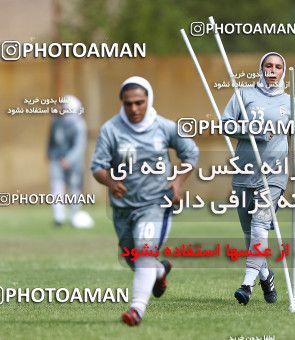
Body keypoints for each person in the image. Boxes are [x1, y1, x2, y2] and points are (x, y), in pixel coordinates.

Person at [91, 76, 199, 326]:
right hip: (123, 208)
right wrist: (109, 182)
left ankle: (136, 310)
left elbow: (190, 153)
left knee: (143, 250)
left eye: (139, 102)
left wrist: (178, 182)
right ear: (122, 102)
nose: (134, 108)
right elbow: (97, 166)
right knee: (132, 255)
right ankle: (159, 272)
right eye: (128, 103)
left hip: (155, 204)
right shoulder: (111, 130)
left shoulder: (164, 127)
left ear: (149, 99)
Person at [221, 52, 295, 305]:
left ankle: (246, 285)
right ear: (261, 69)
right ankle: (266, 275)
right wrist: (254, 131)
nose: (273, 70)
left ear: (283, 72)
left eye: (278, 66)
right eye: (268, 65)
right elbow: (225, 124)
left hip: (275, 175)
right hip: (244, 172)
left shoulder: (290, 102)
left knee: (260, 225)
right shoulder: (244, 95)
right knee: (250, 235)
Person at [47, 94, 93, 228]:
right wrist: (48, 153)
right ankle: (59, 218)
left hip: (73, 164)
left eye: (63, 105)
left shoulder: (78, 124)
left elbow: (79, 146)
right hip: (57, 159)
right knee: (57, 186)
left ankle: (74, 216)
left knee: (74, 189)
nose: (59, 107)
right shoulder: (56, 121)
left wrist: (69, 159)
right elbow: (51, 140)